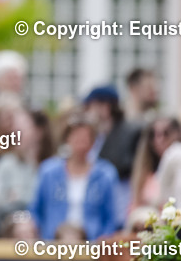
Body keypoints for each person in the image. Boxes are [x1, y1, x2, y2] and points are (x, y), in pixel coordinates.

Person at [29, 112, 118, 241]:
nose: (81, 143)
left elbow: (110, 217)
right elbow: (36, 210)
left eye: (85, 138)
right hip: (54, 241)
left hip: (91, 243)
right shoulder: (48, 171)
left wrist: (103, 241)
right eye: (76, 137)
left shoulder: (106, 174)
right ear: (67, 138)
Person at [84, 85, 140, 224]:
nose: (87, 113)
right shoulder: (98, 135)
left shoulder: (127, 134)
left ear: (105, 107)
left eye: (90, 107)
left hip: (120, 208)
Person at [0, 109, 55, 232]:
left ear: (38, 131)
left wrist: (18, 199)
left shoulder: (54, 166)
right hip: (13, 229)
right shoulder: (6, 164)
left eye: (21, 131)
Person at [130, 116, 180, 210]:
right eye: (153, 135)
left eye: (165, 133)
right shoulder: (144, 172)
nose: (159, 140)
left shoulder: (176, 160)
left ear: (176, 134)